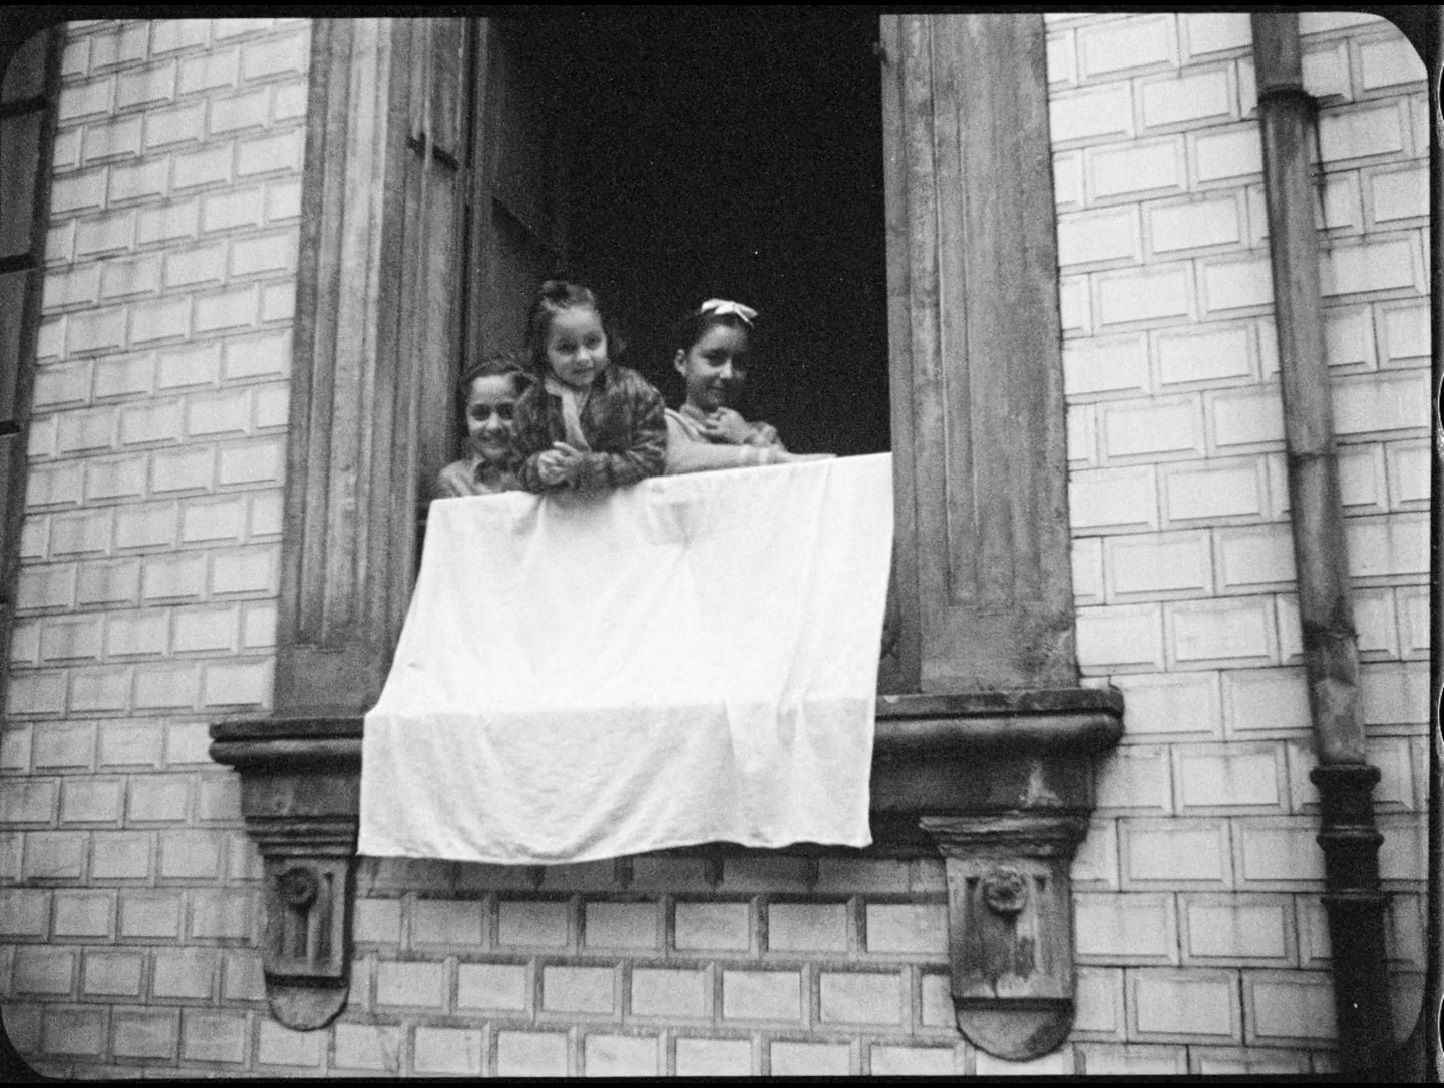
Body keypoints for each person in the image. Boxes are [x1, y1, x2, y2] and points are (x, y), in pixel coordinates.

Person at [512, 280, 669, 493]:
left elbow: (653, 458)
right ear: (544, 352)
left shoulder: (633, 390)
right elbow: (515, 466)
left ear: (608, 337)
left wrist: (588, 468)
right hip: (562, 518)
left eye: (593, 342)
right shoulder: (530, 405)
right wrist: (538, 468)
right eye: (566, 348)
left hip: (624, 513)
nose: (583, 357)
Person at [663, 298, 828, 474]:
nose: (728, 374)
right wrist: (775, 459)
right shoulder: (667, 424)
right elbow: (673, 458)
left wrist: (748, 436)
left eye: (740, 363)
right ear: (681, 362)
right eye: (714, 358)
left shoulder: (762, 433)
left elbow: (796, 480)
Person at [435, 351, 529, 498]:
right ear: (464, 418)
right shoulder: (454, 480)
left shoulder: (545, 474)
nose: (493, 426)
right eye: (480, 414)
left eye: (507, 412)